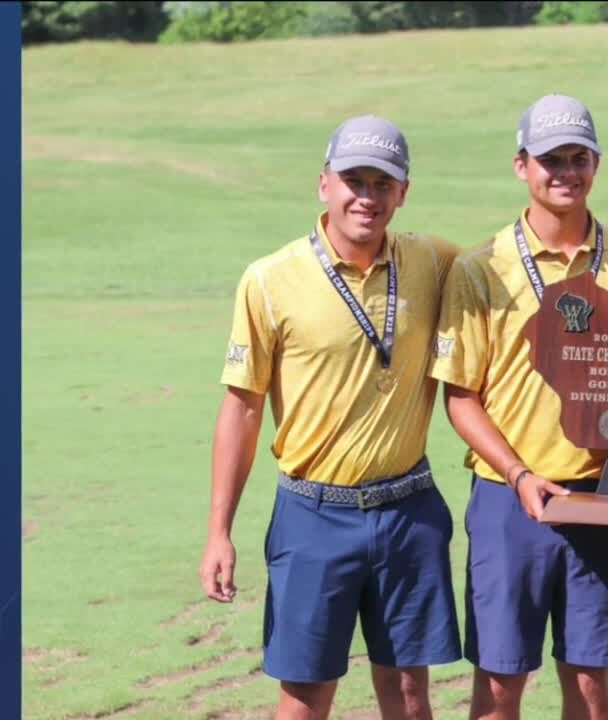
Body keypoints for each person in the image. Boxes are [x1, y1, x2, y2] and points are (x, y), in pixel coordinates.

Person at [199, 115, 462, 720]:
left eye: (382, 183)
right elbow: (242, 408)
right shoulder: (269, 279)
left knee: (410, 694)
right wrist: (219, 532)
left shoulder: (433, 261)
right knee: (303, 699)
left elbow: (515, 279)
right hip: (313, 515)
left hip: (408, 511)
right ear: (324, 184)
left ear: (403, 192)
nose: (366, 197)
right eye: (353, 180)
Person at [428, 94, 608, 720]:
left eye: (578, 157)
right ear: (521, 166)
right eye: (550, 158)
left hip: (600, 497)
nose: (565, 171)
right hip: (511, 501)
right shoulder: (481, 269)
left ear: (596, 163)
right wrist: (519, 474)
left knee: (589, 682)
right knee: (502, 682)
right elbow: (462, 396)